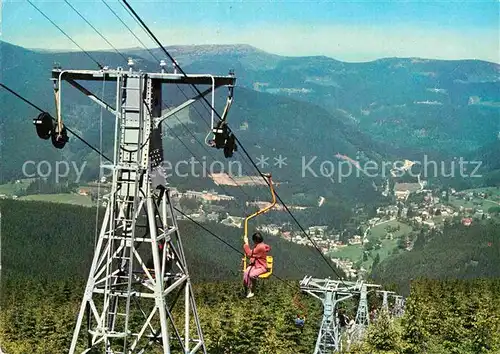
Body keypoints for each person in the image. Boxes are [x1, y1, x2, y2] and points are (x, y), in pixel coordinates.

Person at [243, 232, 271, 298]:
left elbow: (249, 253)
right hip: (256, 264)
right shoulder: (260, 245)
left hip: (262, 266)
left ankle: (252, 290)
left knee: (252, 275)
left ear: (255, 240)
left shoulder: (260, 247)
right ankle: (246, 288)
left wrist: (246, 243)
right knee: (246, 273)